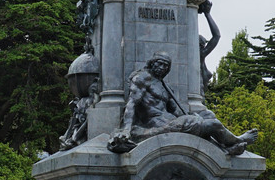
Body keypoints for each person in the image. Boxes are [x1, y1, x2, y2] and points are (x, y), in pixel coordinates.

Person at [109, 52, 257, 155]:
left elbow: (176, 111)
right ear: (152, 63)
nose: (162, 68)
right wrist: (126, 130)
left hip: (171, 122)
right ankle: (237, 140)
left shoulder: (165, 87)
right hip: (154, 124)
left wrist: (193, 116)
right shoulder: (142, 78)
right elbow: (131, 104)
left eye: (166, 66)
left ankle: (224, 149)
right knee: (212, 124)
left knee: (207, 115)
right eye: (159, 64)